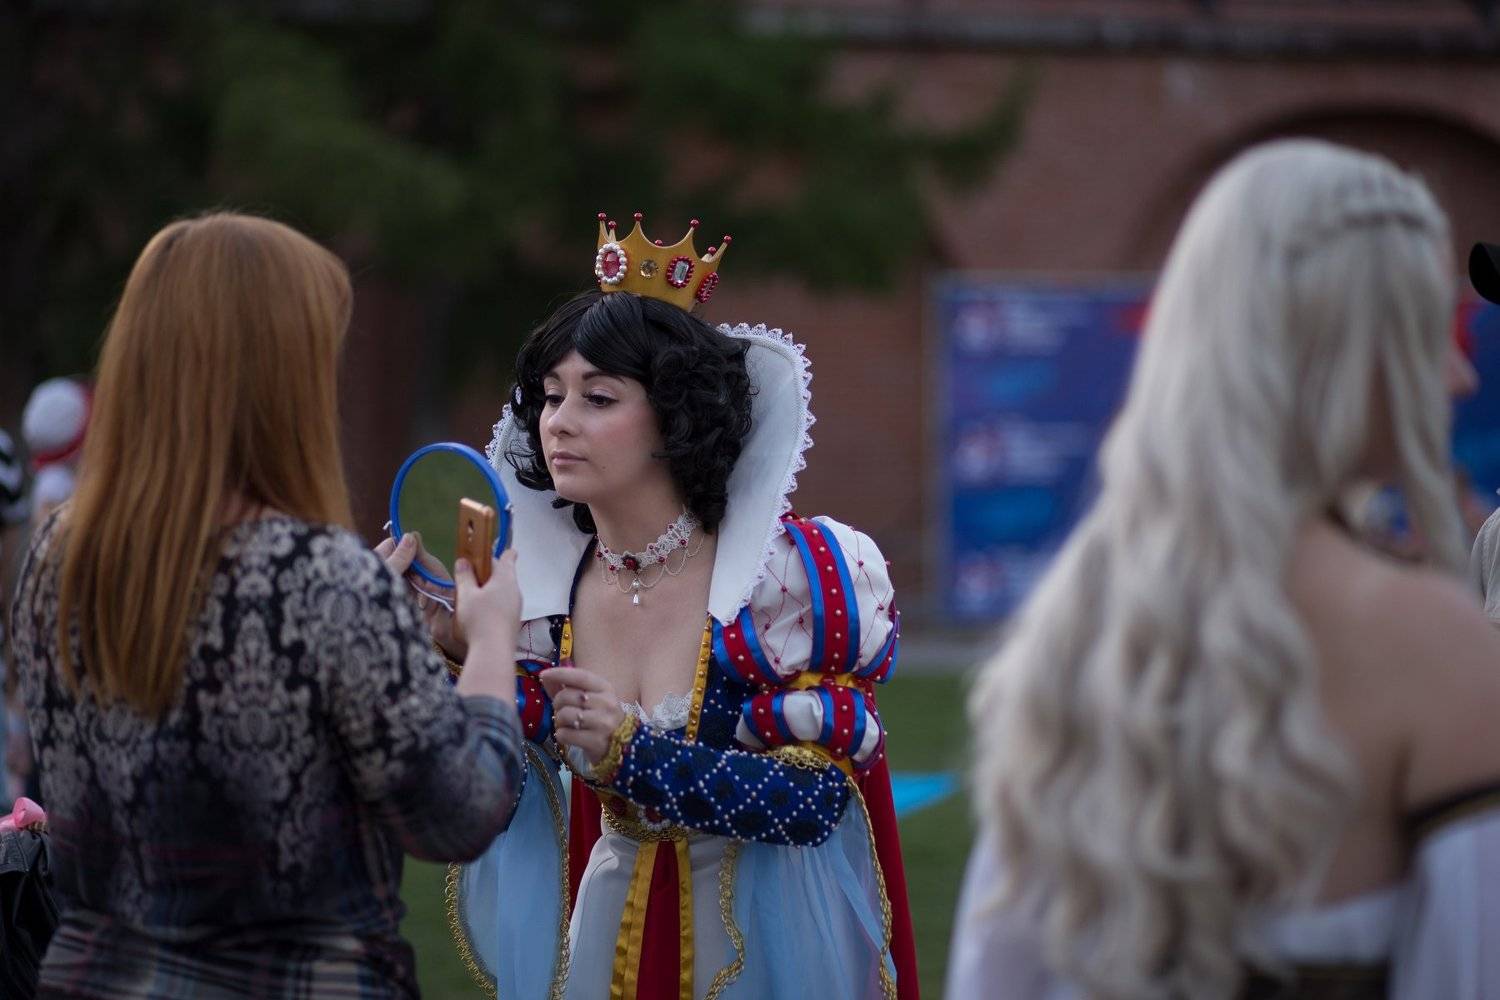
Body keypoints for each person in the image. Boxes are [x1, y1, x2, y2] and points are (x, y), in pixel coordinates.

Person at [950, 140, 1500, 1000]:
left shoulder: (1079, 613)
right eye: (1426, 332)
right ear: (1334, 348)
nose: (1460, 377)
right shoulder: (1436, 644)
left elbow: (992, 973)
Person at [7, 212, 527, 1000]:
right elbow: (459, 813)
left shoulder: (58, 553)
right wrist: (489, 639)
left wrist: (363, 627)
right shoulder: (323, 581)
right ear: (279, 378)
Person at [402, 213, 917, 998]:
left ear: (674, 415)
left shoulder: (783, 578)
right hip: (607, 938)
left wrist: (633, 755)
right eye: (551, 397)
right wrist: (458, 648)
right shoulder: (545, 595)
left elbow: (814, 803)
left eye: (598, 397)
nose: (559, 422)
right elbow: (495, 772)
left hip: (759, 952)